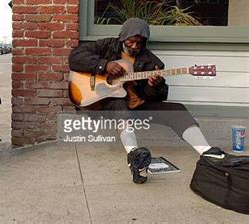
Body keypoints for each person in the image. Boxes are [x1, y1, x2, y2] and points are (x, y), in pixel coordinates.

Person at [68, 18, 227, 184]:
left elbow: (157, 97)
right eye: (131, 41)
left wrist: (155, 87)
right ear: (123, 37)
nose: (135, 46)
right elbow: (75, 57)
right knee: (121, 103)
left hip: (137, 107)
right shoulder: (106, 46)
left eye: (140, 43)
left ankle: (207, 152)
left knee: (177, 109)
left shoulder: (153, 62)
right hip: (108, 104)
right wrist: (104, 65)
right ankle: (134, 155)